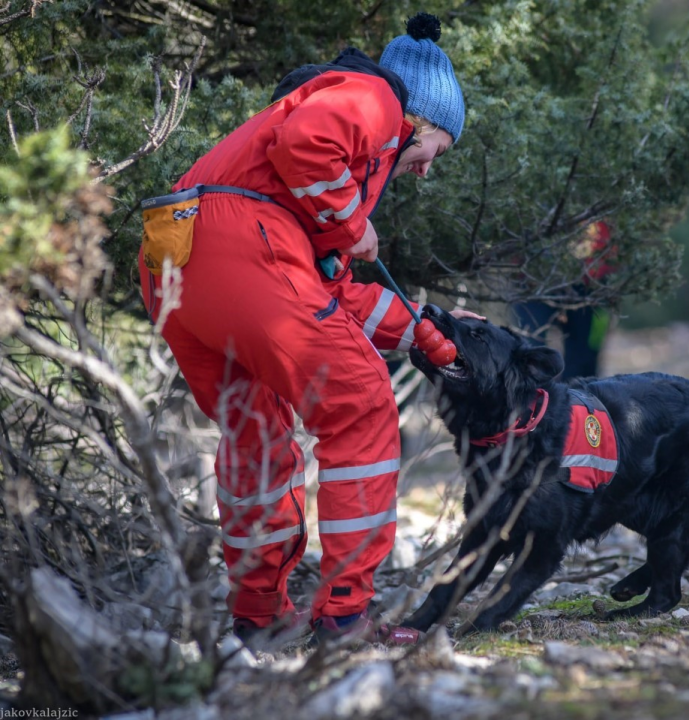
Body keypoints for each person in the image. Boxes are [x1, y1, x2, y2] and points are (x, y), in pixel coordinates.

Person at [139, 13, 477, 646]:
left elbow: (334, 295)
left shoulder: (312, 183)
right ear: (422, 123)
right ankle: (345, 615)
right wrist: (354, 224)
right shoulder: (376, 96)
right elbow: (306, 145)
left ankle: (259, 617)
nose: (427, 169)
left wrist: (430, 339)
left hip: (174, 260)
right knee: (362, 404)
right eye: (436, 152)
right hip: (243, 247)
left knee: (256, 434)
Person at [512, 220, 616, 379]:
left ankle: (577, 401)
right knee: (530, 352)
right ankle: (533, 399)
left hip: (591, 279)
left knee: (584, 358)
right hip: (533, 277)